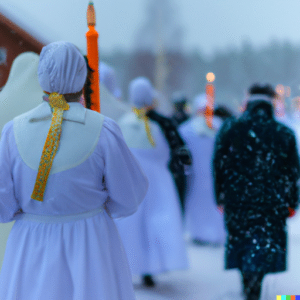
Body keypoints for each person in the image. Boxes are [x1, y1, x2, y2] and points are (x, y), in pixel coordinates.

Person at [0, 41, 148, 300]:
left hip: (31, 242)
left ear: (41, 77)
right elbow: (129, 194)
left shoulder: (13, 132)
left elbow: (3, 203)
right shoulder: (103, 129)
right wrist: (90, 207)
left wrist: (37, 211)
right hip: (90, 241)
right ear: (82, 78)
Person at [213, 83, 300, 300]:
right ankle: (254, 285)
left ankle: (249, 283)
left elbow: (218, 164)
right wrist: (292, 201)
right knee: (263, 244)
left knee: (243, 242)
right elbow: (293, 172)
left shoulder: (231, 128)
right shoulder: (283, 132)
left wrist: (221, 195)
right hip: (272, 200)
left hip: (237, 197)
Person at [116, 77, 189, 287]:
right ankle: (150, 266)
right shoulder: (158, 124)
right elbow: (168, 153)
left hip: (130, 183)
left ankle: (128, 266)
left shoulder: (124, 122)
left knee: (131, 227)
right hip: (156, 184)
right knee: (151, 225)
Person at [179, 94, 226, 246]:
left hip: (204, 174)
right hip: (203, 174)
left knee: (207, 204)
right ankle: (203, 233)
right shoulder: (220, 127)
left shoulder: (187, 128)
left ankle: (205, 233)